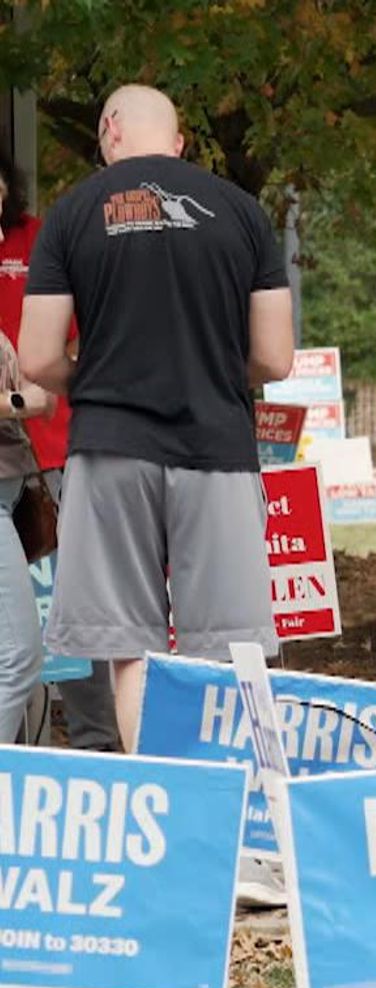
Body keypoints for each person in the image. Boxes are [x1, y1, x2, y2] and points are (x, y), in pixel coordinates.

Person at [15, 84, 295, 747]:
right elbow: (276, 357)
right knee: (226, 654)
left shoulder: (72, 213)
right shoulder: (243, 212)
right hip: (217, 448)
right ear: (178, 142)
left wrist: (92, 378)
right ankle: (224, 809)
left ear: (109, 133)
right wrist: (220, 374)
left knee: (130, 651)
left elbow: (36, 357)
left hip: (110, 449)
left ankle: (159, 807)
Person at [0, 150, 119, 752]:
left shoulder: (39, 239)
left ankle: (95, 738)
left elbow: (77, 341)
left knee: (71, 600)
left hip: (52, 455)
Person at [0, 331, 48, 740]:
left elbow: (38, 394)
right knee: (19, 658)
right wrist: (19, 402)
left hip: (13, 491)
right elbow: (28, 398)